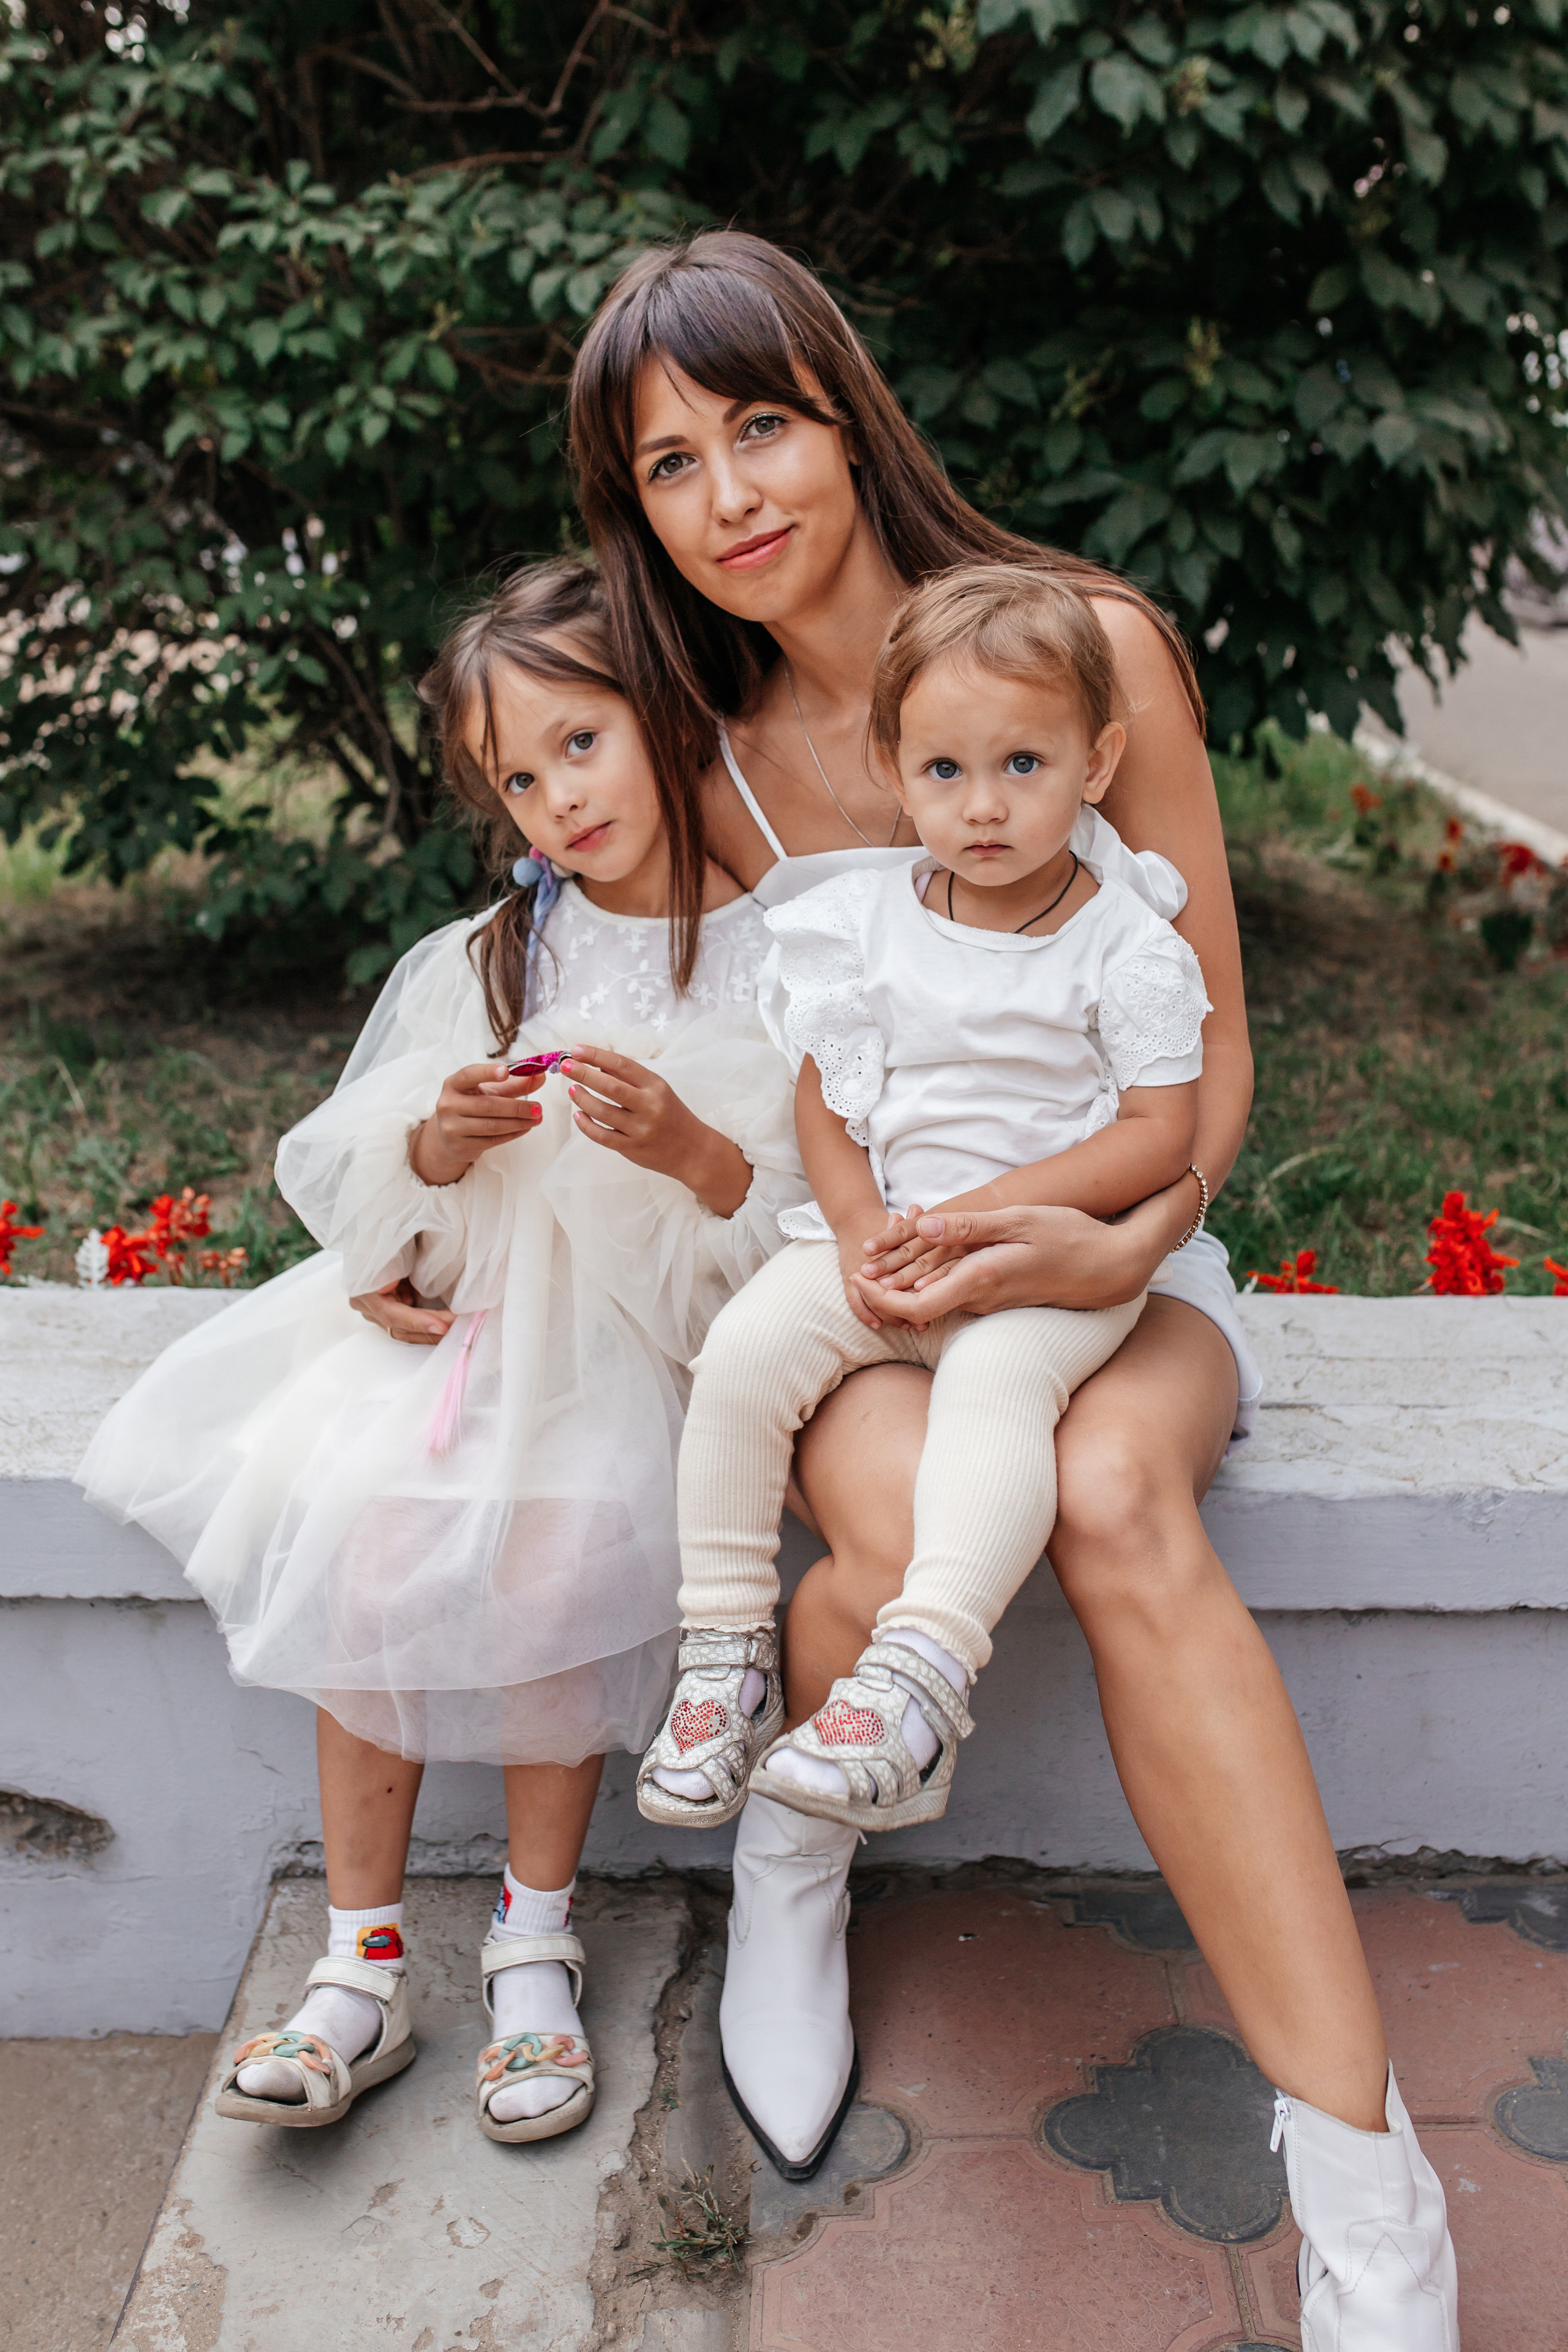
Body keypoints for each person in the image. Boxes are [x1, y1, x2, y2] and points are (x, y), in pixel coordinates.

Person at [556, 231, 1460, 2338]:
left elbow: (1213, 1036)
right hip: (871, 1252)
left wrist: (1126, 1241)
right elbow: (589, 1028)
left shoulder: (1097, 650)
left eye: (760, 423)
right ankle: (796, 1851)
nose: (732, 496)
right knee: (904, 1516)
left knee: (1118, 1497)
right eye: (669, 467)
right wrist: (427, 1234)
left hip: (1115, 1231)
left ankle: (1369, 2191)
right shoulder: (715, 758)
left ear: (848, 414)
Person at [77, 558, 805, 2148]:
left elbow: (781, 1230)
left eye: (581, 744)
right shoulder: (492, 954)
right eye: (516, 776)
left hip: (627, 1350)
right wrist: (433, 1142)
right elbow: (366, 1169)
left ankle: (536, 1942)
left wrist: (689, 1151)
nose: (553, 799)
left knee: (559, 1574)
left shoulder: (767, 956)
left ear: (671, 714)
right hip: (469, 1336)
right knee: (364, 1557)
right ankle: (366, 1964)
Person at [639, 566, 1205, 1843]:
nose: (984, 806)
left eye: (1023, 763)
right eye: (943, 772)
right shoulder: (858, 930)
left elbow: (1155, 1135)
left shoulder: (1125, 944)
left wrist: (994, 1219)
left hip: (1042, 1265)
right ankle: (724, 1649)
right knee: (742, 1356)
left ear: (1096, 761)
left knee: (996, 1392)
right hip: (885, 1239)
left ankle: (916, 1678)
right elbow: (826, 1110)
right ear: (894, 772)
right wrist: (849, 1232)